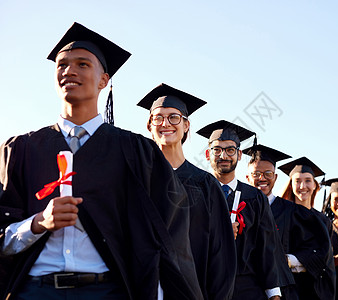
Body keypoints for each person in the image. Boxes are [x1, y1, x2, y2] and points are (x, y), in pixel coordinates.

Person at [0, 22, 202, 300]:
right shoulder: (21, 150)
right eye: (62, 65)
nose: (69, 71)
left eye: (82, 64)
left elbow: (165, 236)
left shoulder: (137, 152)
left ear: (103, 80)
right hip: (34, 290)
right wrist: (37, 223)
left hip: (108, 290)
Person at [138, 83, 237, 299]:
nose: (165, 123)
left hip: (192, 291)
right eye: (158, 118)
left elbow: (221, 254)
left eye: (174, 117)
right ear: (149, 126)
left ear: (186, 125)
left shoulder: (205, 184)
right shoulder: (137, 179)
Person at [197, 121, 294, 300]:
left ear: (240, 155)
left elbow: (266, 248)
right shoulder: (196, 192)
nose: (223, 155)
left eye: (230, 150)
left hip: (246, 288)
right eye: (217, 150)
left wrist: (274, 294)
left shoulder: (255, 197)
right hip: (204, 286)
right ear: (207, 154)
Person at [244, 147, 335, 300]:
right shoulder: (239, 208)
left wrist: (288, 260)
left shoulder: (293, 212)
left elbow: (319, 251)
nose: (262, 178)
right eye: (256, 174)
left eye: (268, 174)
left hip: (283, 292)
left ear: (275, 177)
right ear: (247, 177)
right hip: (245, 290)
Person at [279, 157, 332, 236]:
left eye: (308, 180)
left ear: (314, 185)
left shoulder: (323, 221)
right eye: (297, 181)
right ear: (291, 186)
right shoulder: (281, 216)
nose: (302, 186)